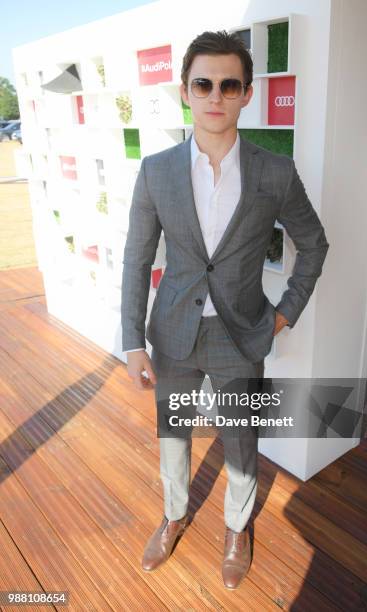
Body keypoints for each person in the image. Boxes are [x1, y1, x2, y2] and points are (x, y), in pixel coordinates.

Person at [121, 30, 329, 589]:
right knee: (174, 433)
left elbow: (315, 244)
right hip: (172, 333)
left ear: (247, 93)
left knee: (241, 437)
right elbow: (137, 260)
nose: (216, 95)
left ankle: (238, 527)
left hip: (242, 333)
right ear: (186, 90)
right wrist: (131, 341)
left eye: (229, 84)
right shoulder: (156, 170)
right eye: (203, 83)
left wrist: (284, 313)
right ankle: (173, 516)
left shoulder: (273, 172)